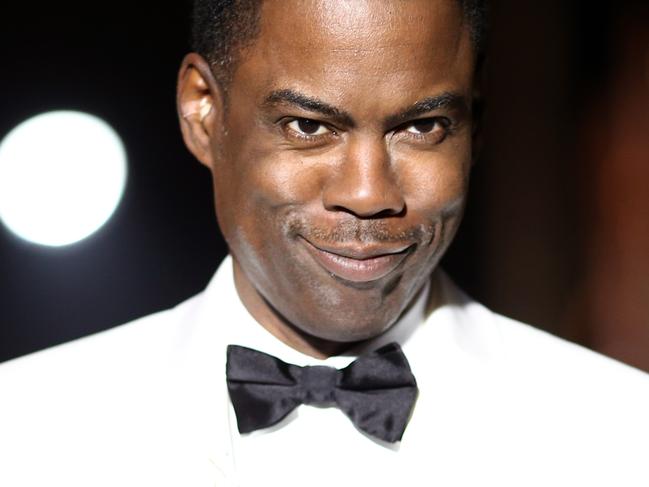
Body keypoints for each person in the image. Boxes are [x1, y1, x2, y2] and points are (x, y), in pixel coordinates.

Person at [1, 1, 648, 486]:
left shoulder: (618, 433)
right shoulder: (28, 428)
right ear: (204, 110)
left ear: (473, 126)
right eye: (309, 126)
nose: (367, 192)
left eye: (422, 126)